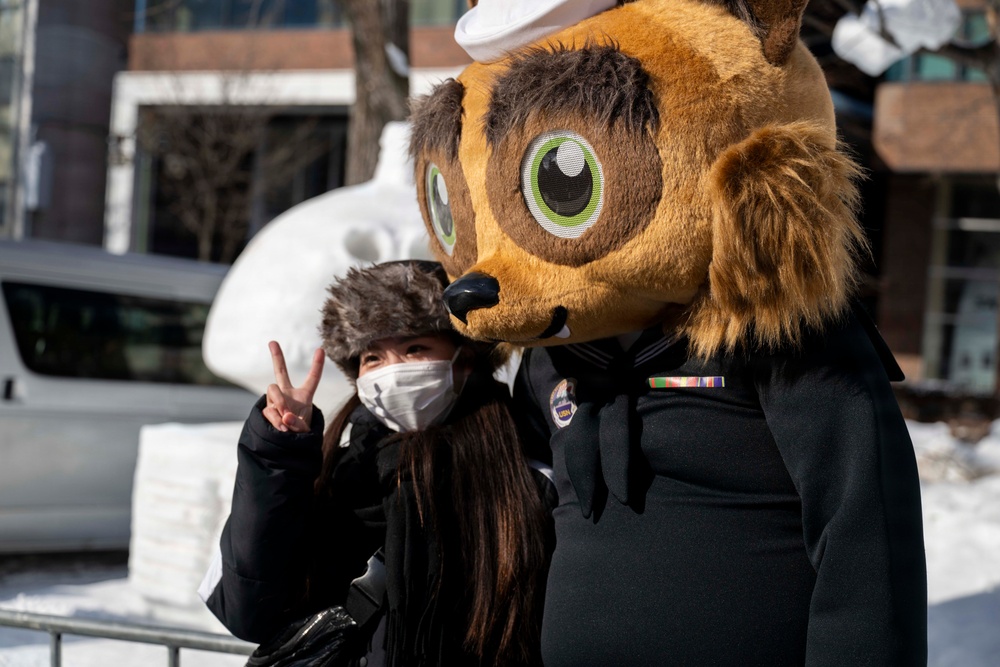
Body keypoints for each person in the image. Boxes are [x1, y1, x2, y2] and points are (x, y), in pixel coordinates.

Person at [200, 260, 552, 667]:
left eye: (415, 348)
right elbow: (247, 612)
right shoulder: (342, 472)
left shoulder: (526, 476)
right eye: (372, 359)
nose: (393, 372)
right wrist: (278, 456)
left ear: (466, 357)